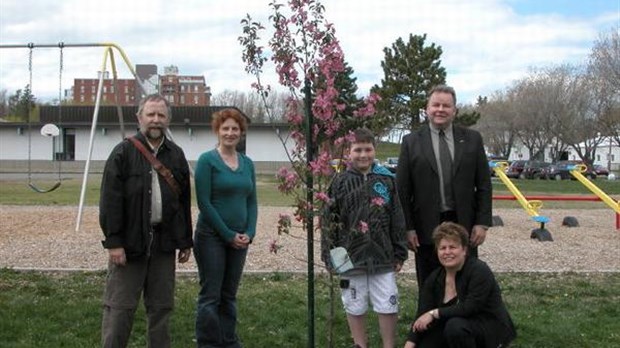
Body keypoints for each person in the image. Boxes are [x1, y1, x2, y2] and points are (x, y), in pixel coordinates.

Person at [99, 94, 193, 348]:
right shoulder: (122, 152)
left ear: (168, 120)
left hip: (163, 245)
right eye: (150, 114)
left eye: (161, 115)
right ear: (139, 117)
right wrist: (114, 242)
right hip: (130, 244)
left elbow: (183, 201)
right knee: (120, 309)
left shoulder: (176, 155)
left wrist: (185, 241)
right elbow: (110, 201)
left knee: (161, 309)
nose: (155, 120)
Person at [396, 84, 492, 291]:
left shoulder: (472, 140)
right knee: (430, 282)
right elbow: (402, 190)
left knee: (465, 280)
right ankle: (428, 321)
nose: (441, 109)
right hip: (425, 226)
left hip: (464, 222)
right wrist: (408, 228)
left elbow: (484, 184)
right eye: (436, 105)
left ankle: (462, 321)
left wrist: (482, 223)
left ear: (454, 110)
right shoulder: (411, 142)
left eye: (446, 106)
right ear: (427, 109)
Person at [321, 128, 409, 348]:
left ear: (374, 150)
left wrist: (399, 251)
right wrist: (328, 255)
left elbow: (397, 217)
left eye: (367, 149)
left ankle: (388, 345)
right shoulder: (339, 182)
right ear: (349, 152)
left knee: (388, 303)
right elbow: (328, 222)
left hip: (383, 255)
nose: (363, 155)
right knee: (354, 303)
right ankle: (360, 344)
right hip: (349, 257)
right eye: (357, 150)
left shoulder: (387, 180)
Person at [193, 108, 258, 348]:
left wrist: (249, 233)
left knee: (229, 295)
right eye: (225, 128)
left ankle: (229, 341)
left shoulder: (247, 163)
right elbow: (204, 203)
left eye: (235, 129)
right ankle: (209, 343)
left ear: (241, 133)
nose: (230, 133)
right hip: (211, 237)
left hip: (240, 239)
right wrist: (228, 235)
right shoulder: (207, 160)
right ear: (217, 131)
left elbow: (251, 201)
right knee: (211, 296)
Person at [404, 222, 516, 347]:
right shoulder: (434, 278)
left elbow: (471, 307)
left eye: (452, 247)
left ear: (464, 250)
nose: (447, 252)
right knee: (426, 342)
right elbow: (422, 313)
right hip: (456, 324)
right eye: (442, 248)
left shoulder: (479, 270)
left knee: (455, 327)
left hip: (488, 325)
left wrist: (434, 313)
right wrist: (410, 343)